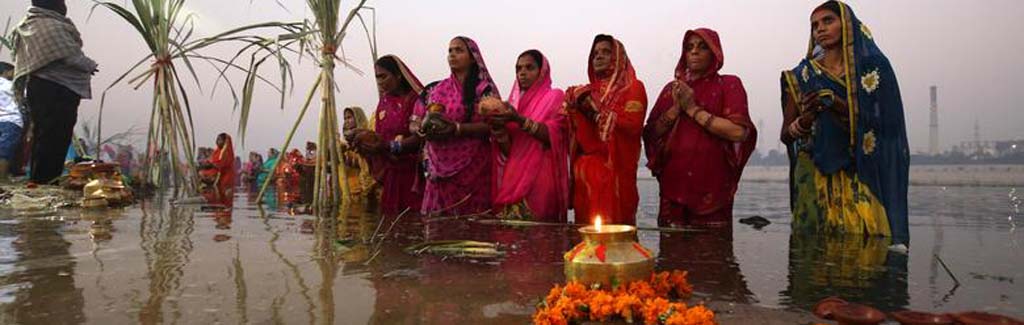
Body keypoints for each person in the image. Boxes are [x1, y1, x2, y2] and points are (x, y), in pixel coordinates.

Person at [780, 1, 910, 246]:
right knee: (812, 256)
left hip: (860, 173)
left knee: (865, 247)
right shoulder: (801, 76)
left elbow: (888, 128)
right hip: (814, 177)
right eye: (814, 25)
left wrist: (836, 104)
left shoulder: (873, 70)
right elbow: (786, 136)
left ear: (847, 24)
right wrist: (806, 120)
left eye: (828, 21)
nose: (820, 29)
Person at [643, 28, 757, 229]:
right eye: (689, 47)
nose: (694, 52)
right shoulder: (673, 90)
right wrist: (677, 108)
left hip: (712, 188)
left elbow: (739, 132)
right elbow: (651, 133)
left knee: (712, 253)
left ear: (715, 53)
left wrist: (693, 109)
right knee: (671, 253)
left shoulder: (728, 84)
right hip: (673, 185)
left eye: (702, 47)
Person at [410, 36, 499, 216]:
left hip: (475, 167)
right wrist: (420, 129)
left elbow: (493, 125)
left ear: (473, 57)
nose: (452, 55)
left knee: (472, 228)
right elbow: (415, 120)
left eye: (459, 50)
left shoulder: (483, 90)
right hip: (438, 167)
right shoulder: (435, 89)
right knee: (438, 227)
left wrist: (457, 128)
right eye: (450, 51)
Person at [12, 0, 98, 184]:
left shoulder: (28, 24)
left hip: (40, 88)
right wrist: (90, 65)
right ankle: (46, 180)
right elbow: (70, 56)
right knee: (55, 136)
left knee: (44, 135)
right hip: (55, 89)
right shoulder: (50, 26)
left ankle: (40, 179)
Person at [565, 35, 647, 225]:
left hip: (613, 174)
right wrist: (572, 107)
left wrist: (595, 110)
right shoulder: (584, 92)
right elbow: (570, 130)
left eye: (606, 52)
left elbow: (633, 127)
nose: (599, 57)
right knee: (585, 243)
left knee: (614, 242)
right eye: (595, 53)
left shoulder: (633, 87)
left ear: (619, 57)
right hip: (584, 176)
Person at [489, 50, 569, 222]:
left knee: (541, 238)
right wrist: (499, 131)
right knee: (513, 239)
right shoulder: (513, 104)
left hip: (541, 177)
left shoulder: (554, 96)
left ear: (542, 72)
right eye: (518, 69)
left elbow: (554, 135)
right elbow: (511, 151)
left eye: (529, 67)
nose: (522, 73)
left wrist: (518, 119)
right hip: (514, 176)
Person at [352, 55, 425, 216]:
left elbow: (422, 136)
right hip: (391, 173)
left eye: (383, 76)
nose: (379, 82)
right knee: (390, 224)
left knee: (413, 222)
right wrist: (366, 142)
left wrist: (389, 146)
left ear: (398, 75)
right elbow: (379, 137)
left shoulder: (416, 100)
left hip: (414, 175)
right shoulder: (384, 103)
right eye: (377, 77)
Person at [0, 62, 24, 182]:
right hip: (11, 120)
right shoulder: (12, 85)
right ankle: (2, 178)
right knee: (5, 150)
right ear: (7, 72)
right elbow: (24, 101)